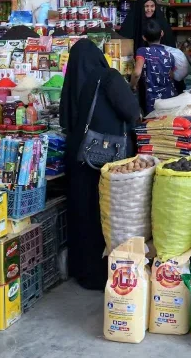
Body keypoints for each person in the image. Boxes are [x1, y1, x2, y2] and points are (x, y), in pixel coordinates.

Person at [60, 39, 141, 290]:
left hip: (77, 156)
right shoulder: (107, 77)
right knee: (106, 213)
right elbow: (131, 111)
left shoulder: (71, 82)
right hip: (105, 158)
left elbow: (65, 120)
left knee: (82, 214)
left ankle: (84, 272)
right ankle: (108, 273)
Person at [119, 0, 183, 105]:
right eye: (146, 6)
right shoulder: (133, 21)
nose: (149, 9)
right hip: (138, 69)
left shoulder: (161, 22)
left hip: (158, 76)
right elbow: (123, 42)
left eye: (152, 6)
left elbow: (170, 45)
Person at [130, 19, 178, 115]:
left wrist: (132, 86)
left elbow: (137, 73)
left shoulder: (143, 51)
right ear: (162, 33)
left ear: (144, 37)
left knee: (154, 123)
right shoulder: (169, 55)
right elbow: (172, 75)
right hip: (171, 97)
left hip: (154, 100)